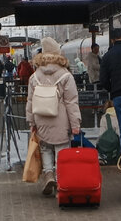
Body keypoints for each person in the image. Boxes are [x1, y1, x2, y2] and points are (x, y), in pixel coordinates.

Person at [25, 36, 81, 197]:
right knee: (62, 150)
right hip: (60, 118)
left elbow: (30, 101)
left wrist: (31, 122)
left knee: (45, 148)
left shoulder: (34, 76)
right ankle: (60, 183)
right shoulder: (66, 76)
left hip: (41, 117)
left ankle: (48, 174)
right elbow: (71, 102)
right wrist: (75, 124)